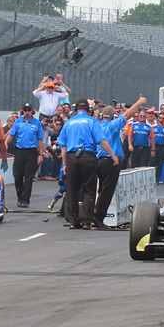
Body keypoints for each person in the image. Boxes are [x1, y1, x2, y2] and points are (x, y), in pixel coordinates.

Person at [57, 98, 118, 230]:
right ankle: (86, 220)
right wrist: (112, 155)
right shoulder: (92, 121)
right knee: (89, 190)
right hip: (88, 156)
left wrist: (65, 164)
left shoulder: (68, 123)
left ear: (75, 109)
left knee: (72, 190)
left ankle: (73, 220)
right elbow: (101, 140)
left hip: (72, 157)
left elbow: (62, 145)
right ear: (89, 110)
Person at [94, 98, 145, 229]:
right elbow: (127, 115)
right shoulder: (112, 125)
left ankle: (92, 214)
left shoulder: (98, 126)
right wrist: (139, 103)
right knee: (107, 190)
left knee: (99, 189)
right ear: (112, 116)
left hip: (98, 160)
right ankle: (99, 217)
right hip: (110, 161)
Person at [4, 103, 45, 208]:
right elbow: (11, 135)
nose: (27, 112)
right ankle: (20, 196)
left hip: (31, 151)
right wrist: (5, 143)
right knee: (17, 175)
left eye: (29, 110)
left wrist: (40, 154)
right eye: (25, 110)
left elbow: (40, 139)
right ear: (23, 111)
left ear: (32, 111)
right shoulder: (18, 122)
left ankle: (26, 199)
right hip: (19, 151)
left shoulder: (37, 123)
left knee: (28, 176)